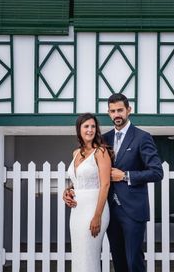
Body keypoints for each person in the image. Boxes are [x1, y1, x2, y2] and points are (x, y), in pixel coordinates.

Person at [64, 94, 163, 272]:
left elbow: (157, 172)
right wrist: (71, 189)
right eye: (113, 111)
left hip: (133, 210)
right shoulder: (104, 139)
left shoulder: (142, 137)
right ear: (108, 113)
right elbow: (93, 173)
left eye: (120, 110)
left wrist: (125, 176)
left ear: (128, 110)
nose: (117, 114)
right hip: (108, 209)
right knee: (118, 261)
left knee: (134, 261)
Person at [66, 113, 111, 272]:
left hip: (94, 210)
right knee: (79, 254)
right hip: (77, 211)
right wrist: (68, 190)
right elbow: (77, 180)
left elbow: (105, 184)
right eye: (86, 126)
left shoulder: (101, 152)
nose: (90, 130)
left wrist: (97, 216)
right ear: (79, 129)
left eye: (93, 126)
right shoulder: (75, 153)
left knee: (89, 256)